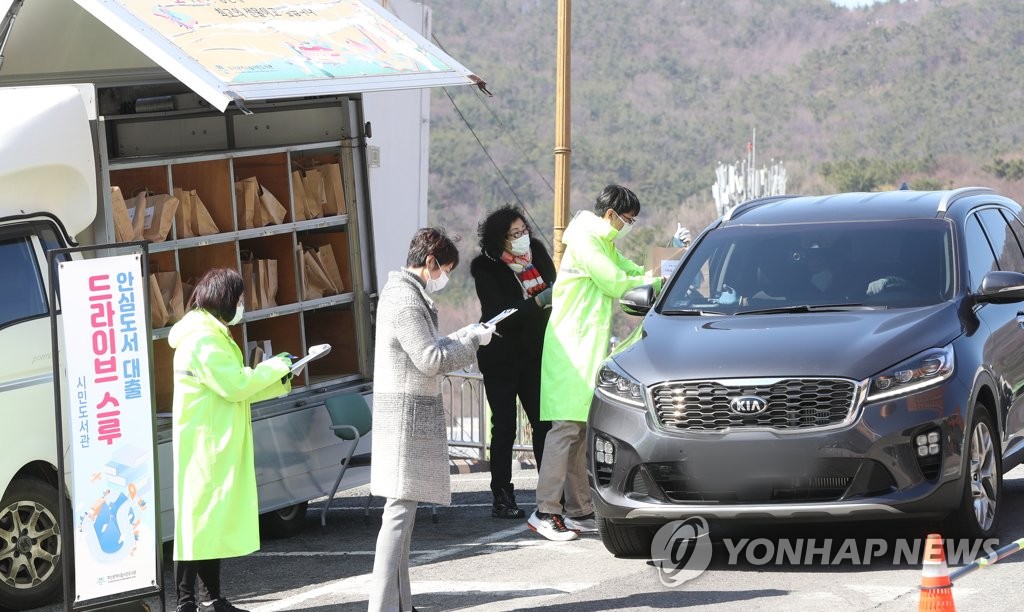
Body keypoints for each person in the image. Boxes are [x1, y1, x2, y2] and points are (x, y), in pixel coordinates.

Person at [369, 227, 494, 612]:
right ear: (430, 261)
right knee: (398, 518)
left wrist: (466, 334)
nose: (444, 278)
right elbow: (430, 359)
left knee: (401, 521)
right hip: (406, 418)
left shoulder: (402, 293)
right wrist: (472, 342)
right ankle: (383, 607)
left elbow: (426, 350)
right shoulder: (406, 301)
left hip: (405, 415)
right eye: (445, 270)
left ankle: (401, 605)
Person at [528, 185, 663, 541]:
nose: (628, 226)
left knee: (578, 431)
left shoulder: (602, 241)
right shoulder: (587, 241)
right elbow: (616, 282)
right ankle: (546, 510)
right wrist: (657, 280)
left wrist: (659, 274)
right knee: (564, 430)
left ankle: (579, 510)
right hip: (570, 348)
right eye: (628, 220)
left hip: (585, 347)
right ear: (611, 215)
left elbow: (630, 269)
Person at [168, 268, 294, 612]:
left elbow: (236, 385)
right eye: (238, 299)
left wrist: (281, 377)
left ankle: (211, 599)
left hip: (211, 440)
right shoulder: (203, 340)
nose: (241, 305)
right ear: (224, 300)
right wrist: (276, 367)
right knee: (196, 525)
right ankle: (186, 603)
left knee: (208, 522)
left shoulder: (207, 333)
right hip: (205, 444)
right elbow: (236, 385)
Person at [471, 205, 556, 518]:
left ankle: (550, 493)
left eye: (523, 231)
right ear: (500, 239)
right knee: (504, 427)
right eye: (514, 234)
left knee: (543, 424)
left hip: (535, 353)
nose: (522, 237)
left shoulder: (537, 253)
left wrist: (546, 301)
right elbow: (500, 315)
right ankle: (502, 496)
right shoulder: (486, 267)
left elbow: (554, 288)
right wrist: (537, 302)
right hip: (501, 356)